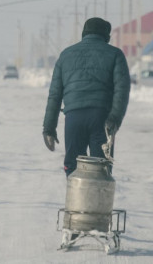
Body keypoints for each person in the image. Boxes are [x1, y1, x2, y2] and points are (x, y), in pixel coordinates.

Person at [42, 17, 131, 175]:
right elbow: (122, 91)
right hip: (102, 119)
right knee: (101, 169)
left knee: (73, 168)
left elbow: (55, 94)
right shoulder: (115, 54)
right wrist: (114, 120)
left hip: (73, 118)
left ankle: (76, 199)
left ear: (84, 34)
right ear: (106, 36)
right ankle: (97, 200)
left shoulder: (65, 55)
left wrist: (49, 128)